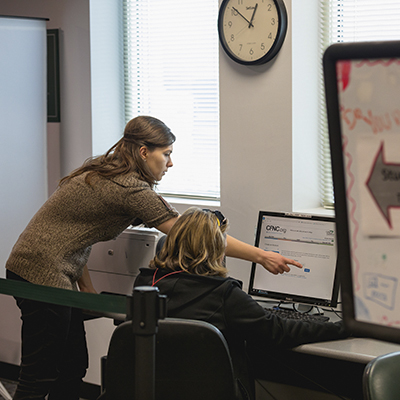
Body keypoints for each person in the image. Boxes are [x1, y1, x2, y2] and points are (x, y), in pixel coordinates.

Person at [5, 115, 300, 399]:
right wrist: (261, 256)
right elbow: (193, 234)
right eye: (167, 154)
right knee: (42, 372)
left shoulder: (107, 171)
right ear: (144, 152)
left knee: (71, 366)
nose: (171, 163)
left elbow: (73, 236)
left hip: (42, 267)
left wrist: (86, 289)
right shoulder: (129, 188)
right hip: (39, 273)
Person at [134, 208, 349, 400]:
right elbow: (279, 331)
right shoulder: (224, 294)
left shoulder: (145, 284)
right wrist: (345, 326)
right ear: (217, 249)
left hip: (155, 390)